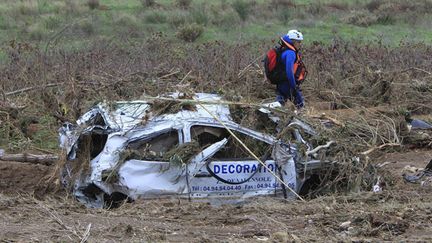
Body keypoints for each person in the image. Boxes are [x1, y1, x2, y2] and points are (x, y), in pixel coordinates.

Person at [276, 29, 306, 109]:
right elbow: (289, 71)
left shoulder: (284, 50)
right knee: (300, 106)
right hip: (288, 84)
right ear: (293, 42)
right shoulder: (290, 53)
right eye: (298, 42)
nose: (300, 44)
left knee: (279, 104)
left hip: (281, 83)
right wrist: (294, 86)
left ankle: (269, 116)